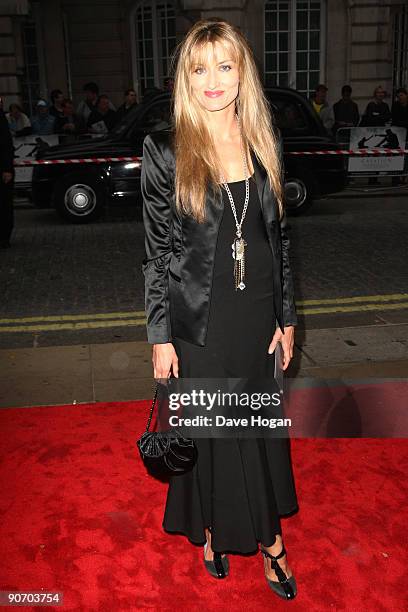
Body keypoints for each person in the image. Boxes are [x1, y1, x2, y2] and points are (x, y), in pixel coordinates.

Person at [141, 18, 298, 600]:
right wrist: (160, 335)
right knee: (211, 430)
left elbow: (279, 240)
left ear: (242, 72)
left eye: (225, 66)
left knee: (253, 424)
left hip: (256, 313)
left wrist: (286, 317)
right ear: (187, 77)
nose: (213, 81)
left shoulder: (264, 139)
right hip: (199, 320)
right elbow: (156, 254)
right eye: (200, 68)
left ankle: (270, 541)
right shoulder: (165, 148)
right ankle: (212, 530)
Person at [0, 101, 15, 248]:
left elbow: (6, 144)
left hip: (2, 169)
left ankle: (4, 237)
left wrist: (7, 169)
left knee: (4, 204)